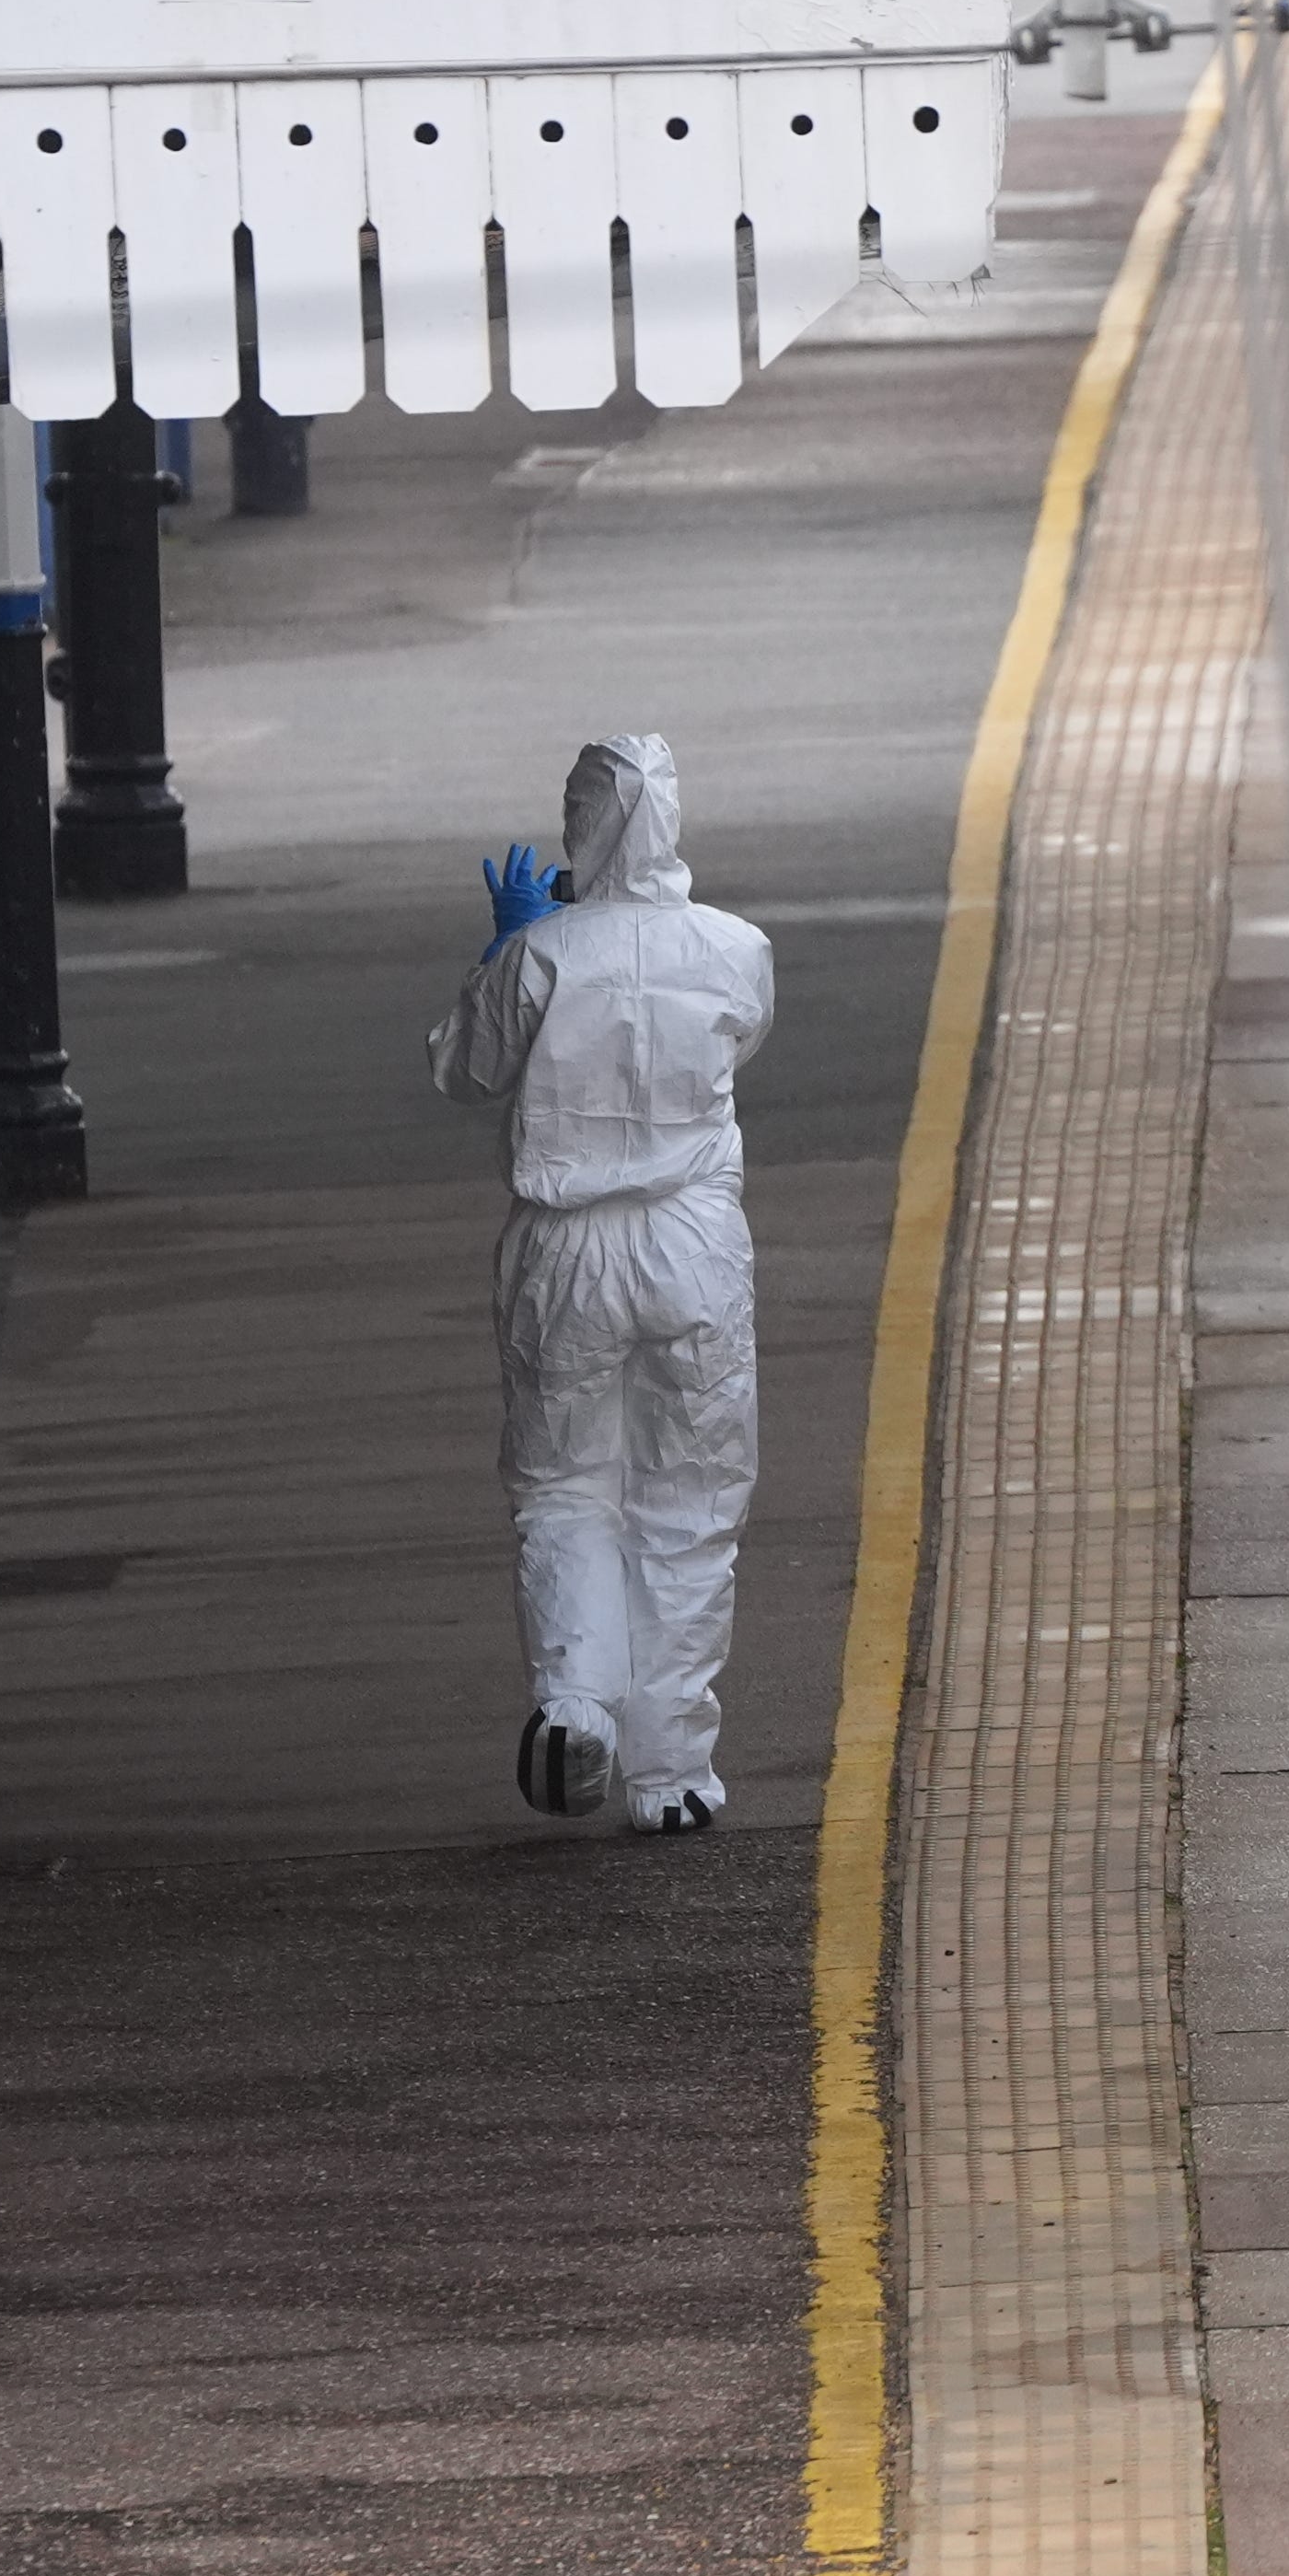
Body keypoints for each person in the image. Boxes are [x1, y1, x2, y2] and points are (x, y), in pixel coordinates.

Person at [428, 735, 773, 1834]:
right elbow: (735, 1047)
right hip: (693, 1243)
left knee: (567, 1486)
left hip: (564, 1250)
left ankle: (578, 1705)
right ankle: (672, 1775)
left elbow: (463, 1069)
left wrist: (511, 948)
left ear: (577, 823)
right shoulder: (736, 949)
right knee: (691, 1503)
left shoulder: (541, 958)